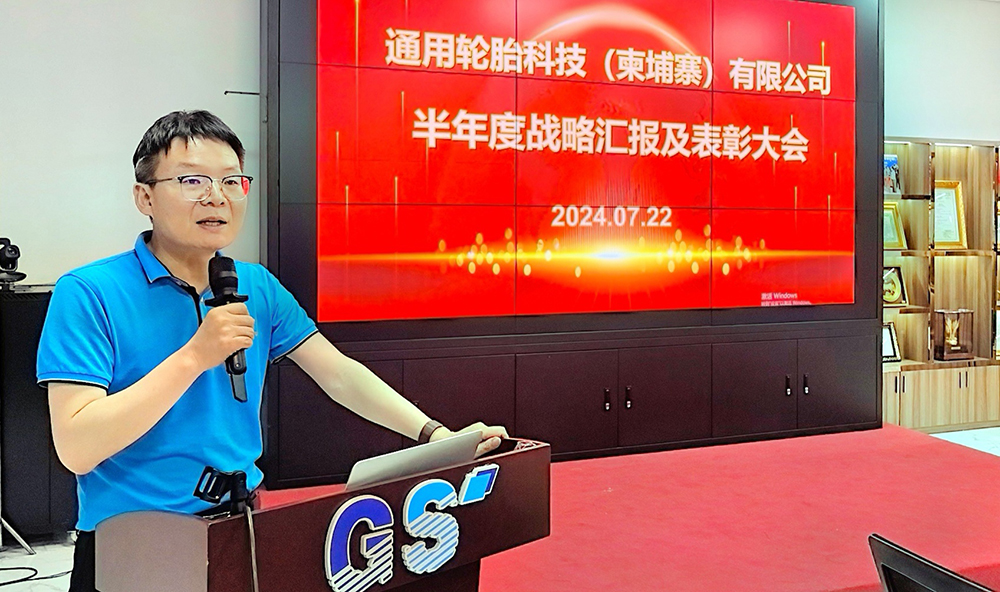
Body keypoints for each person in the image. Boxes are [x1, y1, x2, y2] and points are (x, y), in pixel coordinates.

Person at [36, 110, 508, 592]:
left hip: (240, 528)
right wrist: (194, 357)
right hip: (133, 543)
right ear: (145, 197)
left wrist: (436, 436)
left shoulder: (255, 285)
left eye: (231, 180)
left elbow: (339, 374)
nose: (216, 196)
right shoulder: (89, 292)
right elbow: (77, 448)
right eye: (192, 180)